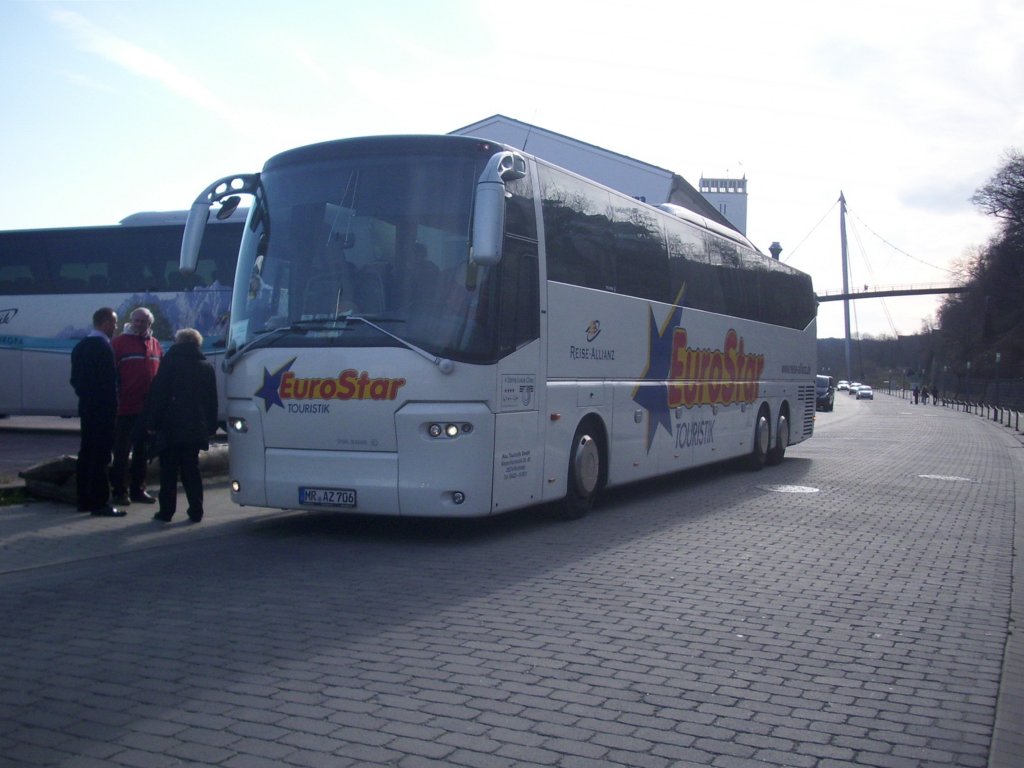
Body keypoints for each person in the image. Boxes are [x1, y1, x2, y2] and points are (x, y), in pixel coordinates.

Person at [143, 328, 218, 523]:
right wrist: (210, 427)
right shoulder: (206, 366)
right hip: (195, 427)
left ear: (178, 342)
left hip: (171, 426)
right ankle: (196, 510)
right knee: (191, 470)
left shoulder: (170, 362)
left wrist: (152, 423)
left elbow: (159, 394)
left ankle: (166, 512)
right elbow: (211, 400)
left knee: (168, 471)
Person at [69, 307, 125, 517]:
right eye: (115, 323)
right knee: (102, 455)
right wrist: (113, 406)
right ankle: (100, 502)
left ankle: (84, 499)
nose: (116, 327)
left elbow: (75, 379)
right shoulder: (103, 347)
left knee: (86, 452)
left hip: (86, 407)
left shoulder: (81, 346)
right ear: (106, 323)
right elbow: (109, 383)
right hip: (103, 409)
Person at [110, 307, 162, 506]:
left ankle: (138, 489)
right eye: (136, 321)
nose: (139, 324)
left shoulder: (155, 344)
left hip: (146, 410)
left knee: (142, 452)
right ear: (131, 322)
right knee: (121, 453)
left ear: (150, 324)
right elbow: (111, 375)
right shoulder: (119, 343)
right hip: (124, 408)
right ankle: (119, 491)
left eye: (143, 321)